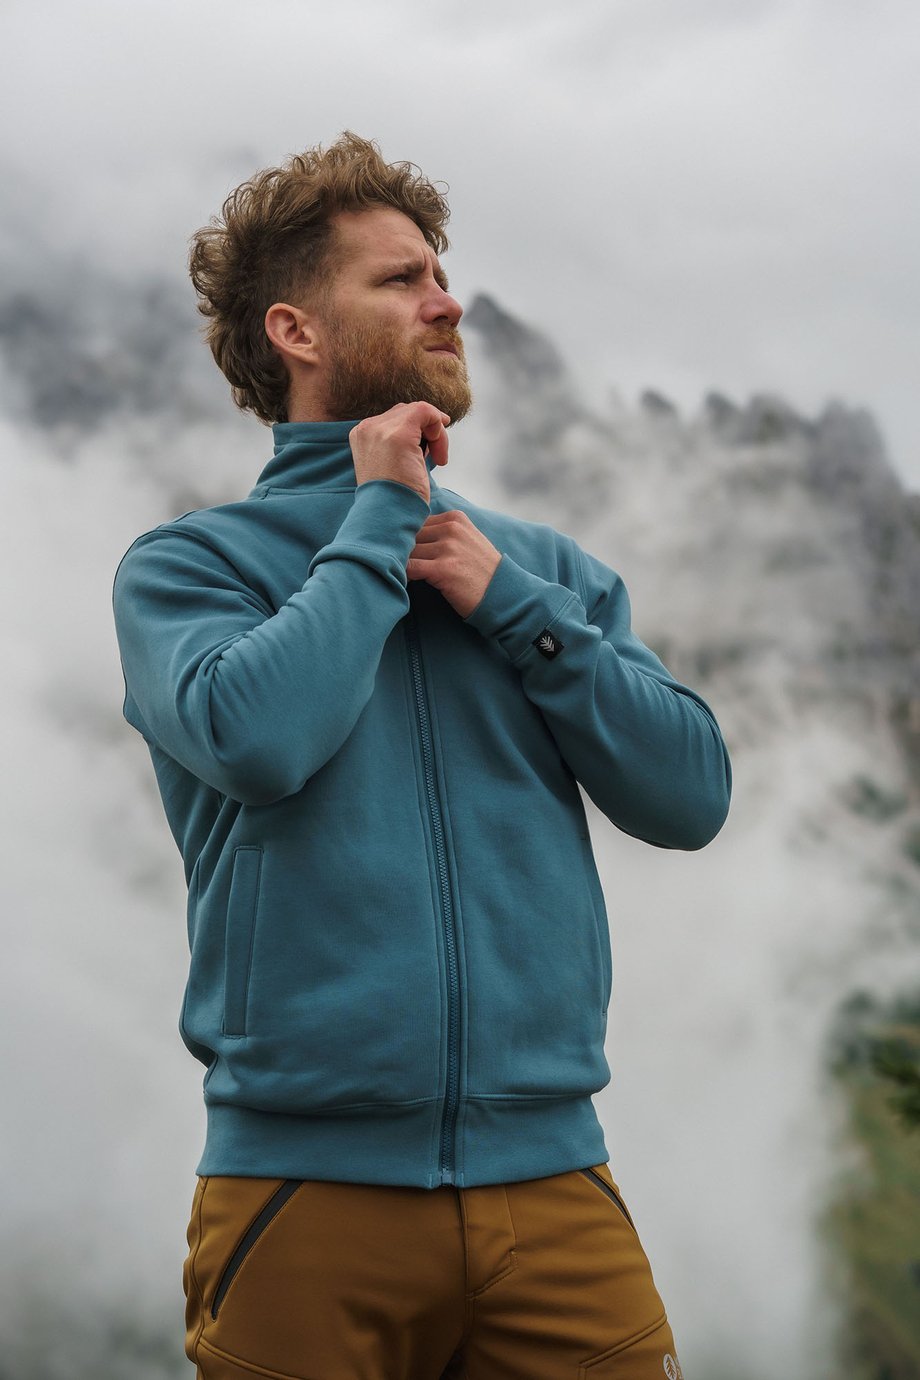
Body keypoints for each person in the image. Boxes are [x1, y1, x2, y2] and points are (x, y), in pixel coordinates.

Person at [112, 131, 730, 1380]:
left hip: (555, 1186)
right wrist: (380, 519)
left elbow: (689, 795)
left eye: (441, 275)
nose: (446, 302)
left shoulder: (541, 573)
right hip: (301, 1195)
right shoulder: (189, 567)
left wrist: (516, 610)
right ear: (295, 330)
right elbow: (257, 738)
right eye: (400, 280)